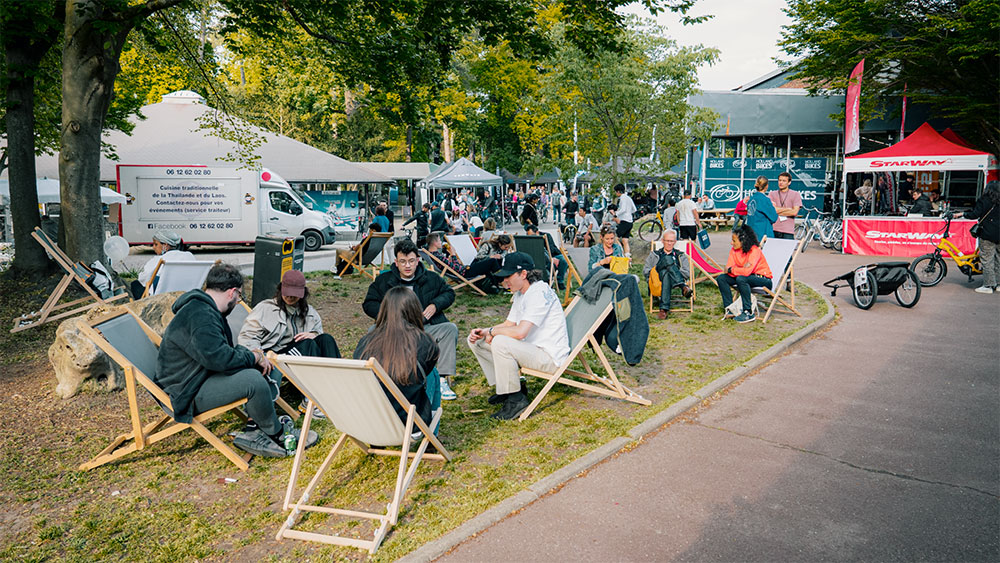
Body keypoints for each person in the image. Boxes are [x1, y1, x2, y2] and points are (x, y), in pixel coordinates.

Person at [154, 263, 317, 458]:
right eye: (240, 296)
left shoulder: (205, 309)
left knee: (255, 369)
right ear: (232, 292)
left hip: (197, 377)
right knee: (253, 381)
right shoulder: (201, 317)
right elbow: (221, 359)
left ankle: (256, 428)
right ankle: (277, 434)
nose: (239, 300)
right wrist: (254, 356)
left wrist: (255, 355)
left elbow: (222, 352)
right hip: (184, 391)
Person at [467, 253, 570, 420]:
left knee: (500, 341)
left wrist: (493, 332)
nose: (504, 281)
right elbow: (510, 324)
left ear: (523, 274)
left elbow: (520, 332)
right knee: (477, 342)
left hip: (549, 357)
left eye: (508, 276)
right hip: (531, 349)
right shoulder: (522, 292)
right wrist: (485, 331)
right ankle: (506, 388)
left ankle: (515, 399)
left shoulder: (538, 292)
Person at [363, 239, 460, 400]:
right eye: (403, 261)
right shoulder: (384, 280)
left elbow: (449, 293)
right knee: (372, 332)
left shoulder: (431, 278)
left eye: (411, 261)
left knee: (450, 329)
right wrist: (389, 313)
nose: (407, 266)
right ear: (396, 262)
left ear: (418, 260)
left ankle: (441, 379)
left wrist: (435, 305)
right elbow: (369, 303)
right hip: (394, 329)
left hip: (424, 328)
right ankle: (378, 378)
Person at [238, 270, 341, 417]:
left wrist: (315, 334)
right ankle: (310, 401)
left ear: (303, 293)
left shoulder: (309, 312)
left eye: (295, 294)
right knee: (307, 345)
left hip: (300, 355)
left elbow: (319, 336)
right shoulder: (265, 308)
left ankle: (337, 391)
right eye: (287, 293)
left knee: (326, 339)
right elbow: (247, 337)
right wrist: (259, 355)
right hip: (274, 357)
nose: (290, 297)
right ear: (280, 290)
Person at [354, 287, 440, 425]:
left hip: (369, 421)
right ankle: (430, 438)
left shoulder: (366, 343)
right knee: (432, 373)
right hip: (409, 421)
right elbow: (428, 368)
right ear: (414, 310)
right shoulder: (424, 341)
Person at [718, 225, 772, 324]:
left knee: (741, 279)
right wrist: (739, 269)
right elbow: (727, 269)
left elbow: (745, 271)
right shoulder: (733, 250)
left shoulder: (754, 250)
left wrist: (734, 269)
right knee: (722, 278)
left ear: (743, 241)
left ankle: (748, 312)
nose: (731, 243)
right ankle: (730, 309)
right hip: (745, 278)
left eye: (734, 241)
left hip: (763, 279)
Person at [642, 229, 692, 319]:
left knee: (666, 273)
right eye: (667, 241)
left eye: (672, 241)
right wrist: (656, 270)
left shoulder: (680, 255)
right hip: (657, 278)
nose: (669, 243)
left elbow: (687, 273)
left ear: (675, 242)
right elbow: (646, 271)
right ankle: (683, 286)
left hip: (672, 280)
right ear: (662, 241)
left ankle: (663, 309)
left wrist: (672, 270)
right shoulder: (655, 254)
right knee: (667, 259)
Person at [961, 180, 1000, 293]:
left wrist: (963, 214)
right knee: (998, 259)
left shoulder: (984, 200)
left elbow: (974, 214)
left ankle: (988, 286)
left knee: (987, 259)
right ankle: (998, 284)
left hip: (987, 233)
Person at [132, 230, 195, 298]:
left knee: (135, 284)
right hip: (186, 294)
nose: (153, 247)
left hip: (162, 297)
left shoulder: (158, 260)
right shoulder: (189, 256)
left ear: (165, 245)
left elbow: (143, 279)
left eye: (156, 244)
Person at [426, 232, 504, 279]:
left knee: (486, 263)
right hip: (465, 272)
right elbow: (457, 269)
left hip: (464, 269)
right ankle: (502, 281)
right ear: (435, 243)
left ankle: (495, 282)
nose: (441, 242)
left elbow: (450, 266)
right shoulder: (437, 256)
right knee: (492, 261)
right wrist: (453, 255)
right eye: (439, 240)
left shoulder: (433, 255)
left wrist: (452, 259)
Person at [524, 224, 568, 290]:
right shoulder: (528, 240)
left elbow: (551, 249)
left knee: (563, 260)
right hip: (541, 258)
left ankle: (559, 282)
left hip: (553, 255)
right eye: (528, 235)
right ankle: (548, 280)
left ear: (537, 232)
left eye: (532, 235)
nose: (531, 237)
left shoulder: (546, 236)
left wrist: (551, 257)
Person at [768, 171, 802, 239]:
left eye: (784, 181)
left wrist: (777, 210)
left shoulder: (795, 194)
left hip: (788, 231)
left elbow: (794, 212)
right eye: (780, 180)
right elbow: (770, 211)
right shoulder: (772, 194)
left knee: (787, 250)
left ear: (789, 182)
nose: (781, 182)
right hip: (774, 229)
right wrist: (789, 209)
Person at [745, 176, 778, 241]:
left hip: (751, 233)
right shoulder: (765, 200)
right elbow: (774, 217)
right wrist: (773, 207)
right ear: (766, 186)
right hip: (762, 234)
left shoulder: (751, 199)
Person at [612, 184, 636, 256]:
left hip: (624, 221)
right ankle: (628, 257)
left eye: (616, 192)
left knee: (615, 238)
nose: (616, 194)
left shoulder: (622, 198)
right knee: (625, 240)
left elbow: (623, 209)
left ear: (618, 191)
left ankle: (621, 254)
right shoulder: (629, 198)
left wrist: (616, 214)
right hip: (630, 221)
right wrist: (628, 213)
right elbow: (634, 209)